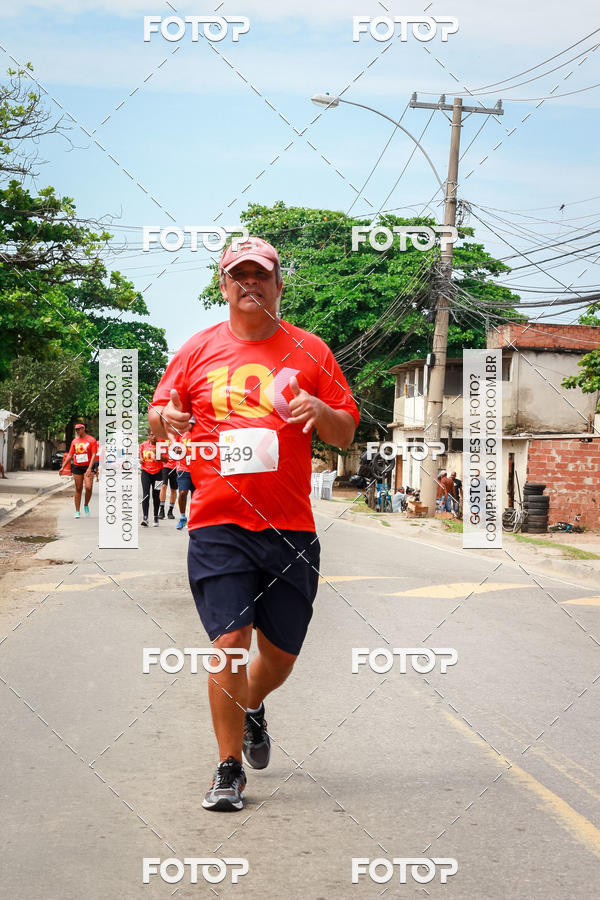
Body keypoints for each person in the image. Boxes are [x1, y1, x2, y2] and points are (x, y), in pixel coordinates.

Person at [149, 236, 359, 812]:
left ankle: (252, 707)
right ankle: (227, 769)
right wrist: (164, 417)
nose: (249, 284)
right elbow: (160, 415)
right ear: (223, 286)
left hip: (290, 527)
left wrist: (322, 412)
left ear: (277, 284)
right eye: (237, 276)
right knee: (230, 645)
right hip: (218, 523)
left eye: (259, 275)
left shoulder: (310, 351)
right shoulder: (196, 351)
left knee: (281, 656)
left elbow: (345, 431)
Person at [59, 423, 97, 518]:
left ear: (83, 428)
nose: (77, 431)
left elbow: (93, 455)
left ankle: (86, 504)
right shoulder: (74, 441)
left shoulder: (91, 440)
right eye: (76, 430)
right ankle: (77, 511)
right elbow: (70, 455)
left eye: (79, 429)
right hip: (77, 466)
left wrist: (89, 468)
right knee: (78, 488)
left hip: (88, 466)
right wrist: (63, 466)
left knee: (88, 487)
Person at [139, 431, 163, 526]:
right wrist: (141, 459)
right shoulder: (143, 444)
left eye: (155, 434)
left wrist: (158, 455)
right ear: (148, 435)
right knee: (146, 495)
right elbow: (140, 454)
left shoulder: (161, 446)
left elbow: (166, 459)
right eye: (151, 434)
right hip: (145, 472)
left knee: (156, 496)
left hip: (158, 473)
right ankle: (145, 518)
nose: (153, 436)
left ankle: (156, 517)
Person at [175, 429, 195, 531]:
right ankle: (183, 517)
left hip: (197, 469)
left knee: (195, 496)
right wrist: (177, 450)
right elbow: (173, 447)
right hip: (183, 468)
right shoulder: (180, 433)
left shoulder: (200, 432)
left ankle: (193, 518)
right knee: (182, 492)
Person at [158, 440, 178, 519]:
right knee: (163, 486)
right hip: (165, 466)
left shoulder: (178, 437)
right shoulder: (161, 439)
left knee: (173, 489)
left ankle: (170, 510)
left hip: (176, 467)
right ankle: (161, 509)